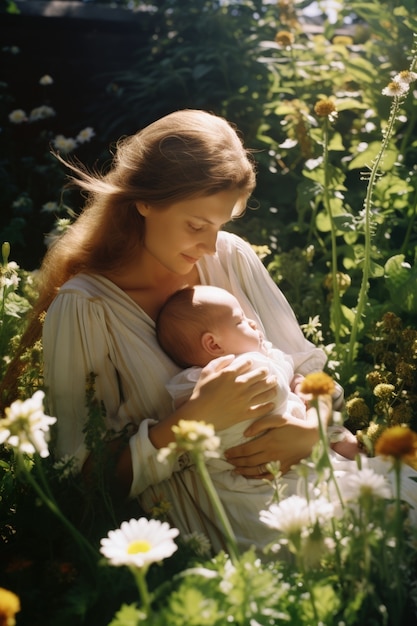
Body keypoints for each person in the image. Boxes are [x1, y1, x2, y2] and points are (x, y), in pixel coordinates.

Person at [0, 109, 343, 553]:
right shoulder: (86, 307)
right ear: (144, 201)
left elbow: (310, 377)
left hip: (312, 477)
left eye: (220, 225)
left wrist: (314, 429)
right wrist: (192, 421)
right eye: (197, 225)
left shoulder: (230, 259)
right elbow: (82, 484)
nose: (210, 245)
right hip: (215, 533)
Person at [156, 284, 359, 549]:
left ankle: (358, 458)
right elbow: (269, 388)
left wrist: (298, 385)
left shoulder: (263, 359)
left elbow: (294, 381)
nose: (252, 322)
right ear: (213, 344)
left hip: (292, 438)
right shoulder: (225, 370)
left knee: (339, 447)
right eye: (240, 320)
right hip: (249, 464)